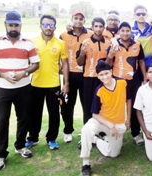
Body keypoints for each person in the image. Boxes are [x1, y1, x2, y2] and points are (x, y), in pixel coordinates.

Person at [0, 11, 40, 171]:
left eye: (16, 25)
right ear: (5, 25)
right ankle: (1, 154)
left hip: (23, 88)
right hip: (3, 89)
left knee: (24, 119)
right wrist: (3, 74)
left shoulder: (28, 43)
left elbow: (36, 64)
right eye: (10, 25)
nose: (13, 28)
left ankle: (20, 145)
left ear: (20, 25)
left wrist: (25, 72)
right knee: (1, 121)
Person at [80, 60, 131, 176]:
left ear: (111, 71)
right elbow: (95, 114)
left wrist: (128, 118)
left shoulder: (123, 82)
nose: (105, 76)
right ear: (98, 76)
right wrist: (110, 125)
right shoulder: (99, 90)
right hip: (101, 121)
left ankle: (96, 140)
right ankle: (85, 164)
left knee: (114, 154)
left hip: (118, 123)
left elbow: (128, 99)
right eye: (101, 74)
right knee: (86, 129)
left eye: (106, 73)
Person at [26, 14, 69, 150]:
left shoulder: (60, 43)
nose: (48, 28)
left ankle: (52, 138)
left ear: (55, 27)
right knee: (34, 113)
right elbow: (26, 62)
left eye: (51, 25)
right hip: (36, 84)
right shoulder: (32, 42)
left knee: (54, 113)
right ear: (40, 26)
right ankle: (33, 138)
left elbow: (65, 64)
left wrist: (66, 83)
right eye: (45, 24)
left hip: (53, 84)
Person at [105, 22, 147, 145]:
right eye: (122, 31)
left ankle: (136, 133)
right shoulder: (113, 45)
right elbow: (107, 65)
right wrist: (110, 55)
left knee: (135, 107)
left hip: (134, 82)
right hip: (117, 82)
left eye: (127, 30)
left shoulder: (137, 45)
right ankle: (114, 132)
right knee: (116, 108)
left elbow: (141, 62)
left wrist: (145, 77)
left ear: (131, 32)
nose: (125, 33)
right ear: (119, 32)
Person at [60, 10, 93, 143]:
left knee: (87, 104)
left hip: (86, 75)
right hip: (70, 74)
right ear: (72, 19)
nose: (78, 21)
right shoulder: (63, 34)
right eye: (76, 18)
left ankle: (87, 130)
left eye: (81, 19)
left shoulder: (90, 33)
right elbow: (60, 52)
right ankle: (68, 130)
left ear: (84, 21)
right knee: (67, 104)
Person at [76, 17, 111, 126]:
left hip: (104, 79)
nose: (98, 29)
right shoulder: (85, 42)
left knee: (103, 106)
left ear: (104, 28)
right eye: (96, 26)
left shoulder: (108, 43)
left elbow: (110, 64)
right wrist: (82, 54)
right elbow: (79, 63)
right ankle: (88, 133)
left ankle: (103, 132)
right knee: (88, 106)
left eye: (101, 26)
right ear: (92, 27)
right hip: (89, 78)